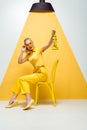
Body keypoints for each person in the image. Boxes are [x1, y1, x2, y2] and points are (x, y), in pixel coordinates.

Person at [6, 30, 56, 110]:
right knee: (21, 80)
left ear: (32, 43)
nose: (29, 45)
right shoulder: (28, 55)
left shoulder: (38, 50)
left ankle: (21, 99)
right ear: (26, 46)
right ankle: (16, 99)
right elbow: (19, 61)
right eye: (27, 44)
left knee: (21, 79)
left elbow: (48, 44)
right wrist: (22, 52)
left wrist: (52, 35)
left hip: (42, 74)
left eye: (30, 43)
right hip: (37, 74)